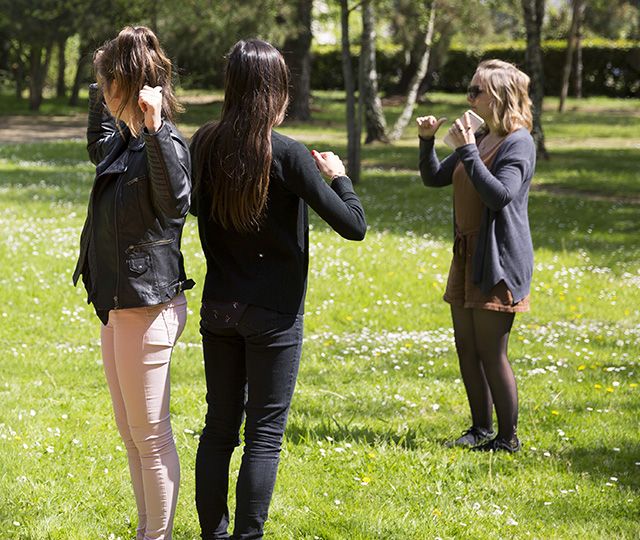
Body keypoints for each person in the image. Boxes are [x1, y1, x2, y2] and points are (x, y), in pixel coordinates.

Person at [190, 39, 366, 539]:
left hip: (220, 307)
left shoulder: (203, 142)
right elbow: (353, 225)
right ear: (277, 94)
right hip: (274, 313)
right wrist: (340, 177)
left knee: (220, 427)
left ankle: (214, 535)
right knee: (264, 435)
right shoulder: (286, 154)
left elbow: (196, 208)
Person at [72, 26, 194, 538]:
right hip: (119, 304)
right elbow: (96, 141)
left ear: (126, 85)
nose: (100, 90)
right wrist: (119, 61)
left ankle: (156, 535)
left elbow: (176, 201)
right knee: (132, 435)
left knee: (150, 435)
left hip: (149, 308)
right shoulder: (121, 143)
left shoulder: (164, 145)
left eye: (107, 82)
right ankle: (147, 531)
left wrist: (157, 123)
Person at [416, 59, 536, 453]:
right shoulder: (482, 135)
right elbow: (434, 177)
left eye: (475, 91)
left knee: (490, 351)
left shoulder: (517, 142)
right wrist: (427, 140)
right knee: (466, 347)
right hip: (467, 253)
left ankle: (508, 438)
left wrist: (467, 150)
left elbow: (499, 195)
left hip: (497, 258)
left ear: (498, 96)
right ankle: (480, 429)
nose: (469, 98)